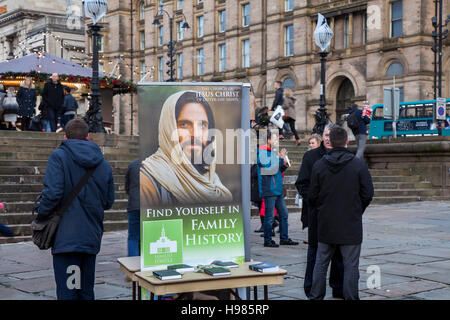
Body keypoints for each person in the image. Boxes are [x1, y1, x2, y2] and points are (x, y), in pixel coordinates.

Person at [36, 119, 115, 300]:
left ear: (65, 136)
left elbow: (52, 193)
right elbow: (109, 201)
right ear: (88, 137)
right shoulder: (103, 164)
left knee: (68, 291)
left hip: (66, 235)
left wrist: (43, 216)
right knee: (86, 290)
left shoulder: (58, 156)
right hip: (91, 235)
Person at [309, 126, 374, 300]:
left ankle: (316, 297)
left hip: (326, 223)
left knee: (321, 263)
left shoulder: (319, 164)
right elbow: (368, 193)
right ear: (346, 142)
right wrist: (357, 209)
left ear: (329, 142)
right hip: (350, 223)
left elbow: (312, 196)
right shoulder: (357, 164)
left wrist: (323, 209)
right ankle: (351, 297)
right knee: (351, 265)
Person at [140, 91, 232, 206]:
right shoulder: (149, 179)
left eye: (202, 125)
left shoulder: (211, 177)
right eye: (184, 124)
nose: (196, 134)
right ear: (168, 128)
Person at [295, 124, 344, 299]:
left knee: (339, 255)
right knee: (314, 254)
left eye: (331, 135)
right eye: (326, 134)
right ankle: (311, 289)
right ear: (322, 136)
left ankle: (338, 288)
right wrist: (316, 201)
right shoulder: (311, 157)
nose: (328, 138)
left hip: (339, 216)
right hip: (317, 215)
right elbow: (302, 184)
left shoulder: (346, 156)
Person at [257, 130, 299, 247]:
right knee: (269, 217)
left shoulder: (271, 152)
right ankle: (267, 240)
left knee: (284, 214)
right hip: (269, 189)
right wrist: (279, 158)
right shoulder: (261, 151)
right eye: (275, 139)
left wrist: (284, 164)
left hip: (277, 188)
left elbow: (277, 169)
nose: (277, 141)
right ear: (268, 140)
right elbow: (267, 168)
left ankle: (284, 238)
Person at [125, 158, 140, 257]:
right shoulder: (160, 163)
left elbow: (127, 186)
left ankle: (132, 262)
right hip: (152, 205)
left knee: (133, 237)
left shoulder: (133, 164)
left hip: (135, 204)